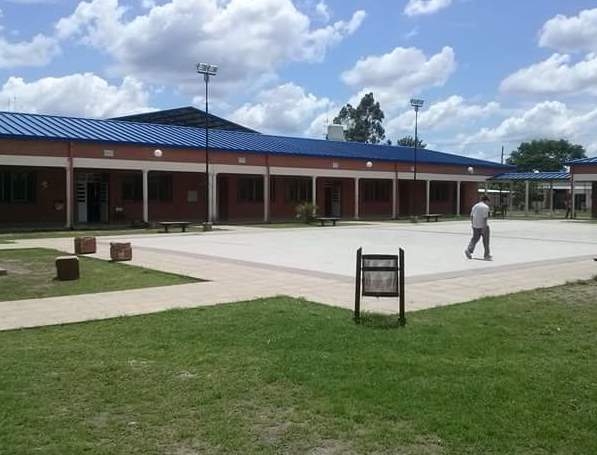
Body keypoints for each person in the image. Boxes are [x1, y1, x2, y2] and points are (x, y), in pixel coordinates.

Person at [465, 195, 492, 261]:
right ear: (486, 201)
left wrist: (472, 224)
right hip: (483, 225)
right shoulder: (485, 207)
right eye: (488, 201)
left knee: (474, 239)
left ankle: (469, 250)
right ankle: (486, 255)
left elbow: (471, 216)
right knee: (486, 241)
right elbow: (485, 218)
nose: (489, 203)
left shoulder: (475, 206)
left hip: (475, 225)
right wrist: (484, 228)